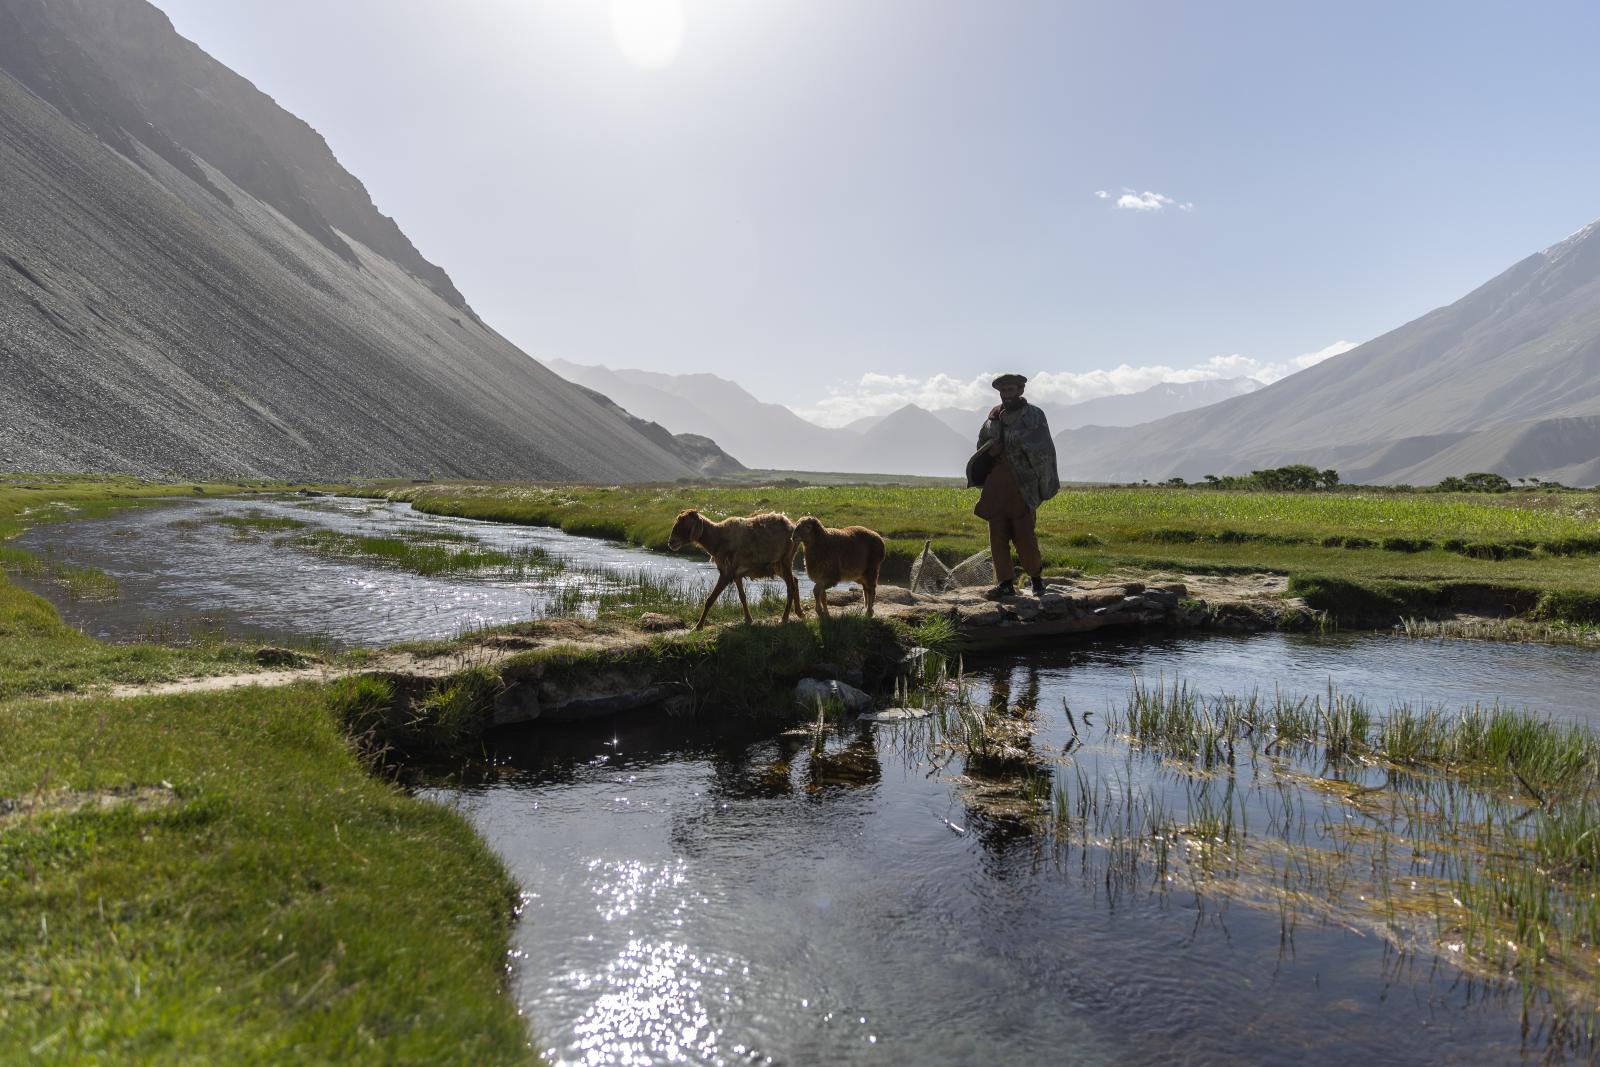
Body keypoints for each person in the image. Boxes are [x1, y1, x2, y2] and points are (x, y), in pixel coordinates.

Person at [968, 373, 1059, 600]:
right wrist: (992, 450)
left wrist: (1042, 483)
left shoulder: (1034, 416)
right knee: (997, 534)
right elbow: (981, 444)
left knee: (1025, 535)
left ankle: (1036, 580)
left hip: (1023, 484)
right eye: (1002, 391)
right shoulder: (992, 419)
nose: (1006, 394)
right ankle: (1005, 583)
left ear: (1020, 390)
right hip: (997, 483)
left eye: (1010, 390)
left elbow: (1044, 449)